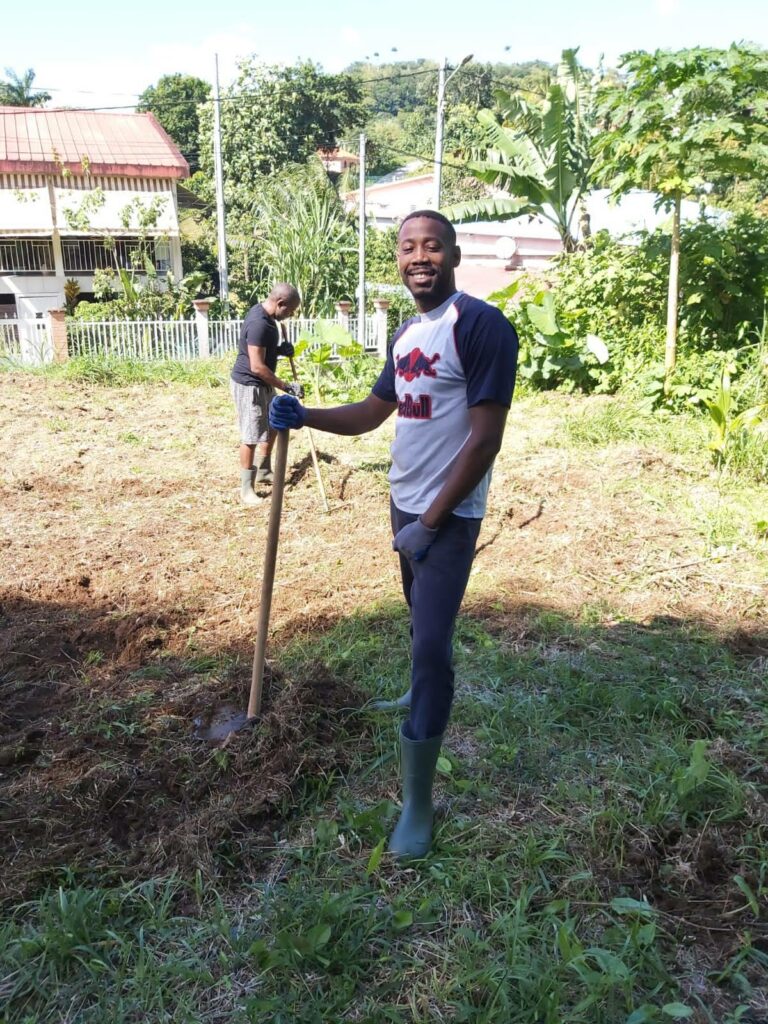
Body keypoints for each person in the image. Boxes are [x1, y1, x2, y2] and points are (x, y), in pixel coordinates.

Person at [269, 211, 518, 859]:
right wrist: (306, 415)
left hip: (448, 515)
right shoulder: (407, 333)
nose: (419, 257)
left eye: (432, 246)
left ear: (453, 255)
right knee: (417, 618)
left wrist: (431, 522)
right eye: (408, 247)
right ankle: (417, 688)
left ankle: (417, 802)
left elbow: (485, 440)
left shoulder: (482, 326)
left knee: (432, 644)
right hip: (402, 501)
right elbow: (373, 413)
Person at [230, 283, 303, 505]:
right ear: (280, 303)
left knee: (272, 425)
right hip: (250, 384)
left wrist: (280, 350)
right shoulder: (259, 323)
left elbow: (263, 350)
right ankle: (246, 489)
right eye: (290, 310)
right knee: (251, 435)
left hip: (263, 383)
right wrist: (286, 386)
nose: (290, 315)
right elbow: (257, 366)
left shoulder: (268, 318)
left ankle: (263, 470)